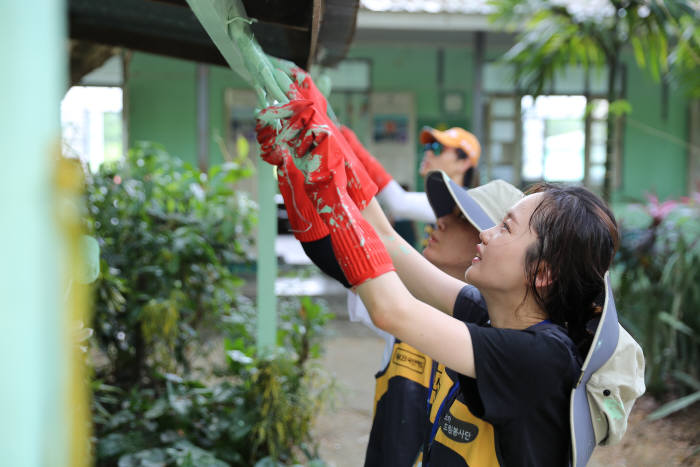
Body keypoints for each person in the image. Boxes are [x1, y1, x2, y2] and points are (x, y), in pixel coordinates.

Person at [255, 98, 645, 467]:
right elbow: (388, 239)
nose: (485, 235)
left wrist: (328, 188)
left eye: (504, 228)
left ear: (542, 273)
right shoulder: (490, 315)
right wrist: (306, 163)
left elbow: (393, 311)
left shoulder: (541, 359)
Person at [364, 173, 523, 467]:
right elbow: (384, 237)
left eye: (463, 218)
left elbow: (391, 310)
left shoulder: (527, 348)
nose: (440, 221)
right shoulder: (469, 308)